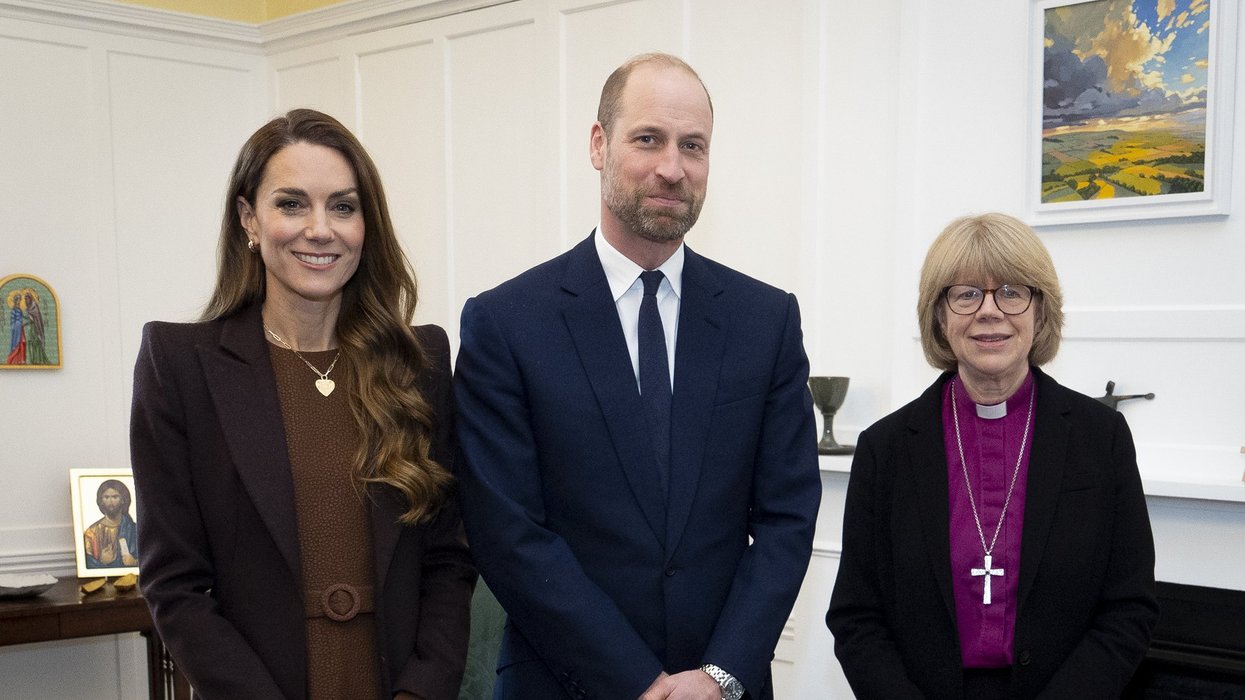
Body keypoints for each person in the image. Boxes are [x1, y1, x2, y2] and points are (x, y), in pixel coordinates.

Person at [454, 53, 821, 700]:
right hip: (562, 683)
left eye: (693, 146)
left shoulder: (764, 321)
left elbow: (788, 516)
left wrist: (720, 674)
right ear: (598, 145)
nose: (671, 168)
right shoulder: (506, 323)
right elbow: (508, 531)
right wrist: (638, 683)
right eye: (647, 139)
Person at [130, 109, 476, 700]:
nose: (320, 229)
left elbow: (448, 558)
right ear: (249, 220)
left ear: (367, 225)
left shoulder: (420, 362)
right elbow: (175, 584)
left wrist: (421, 691)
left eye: (343, 207)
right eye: (291, 204)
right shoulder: (179, 363)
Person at [826, 212, 1158, 699]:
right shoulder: (887, 448)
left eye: (1011, 291)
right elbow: (857, 616)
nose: (989, 311)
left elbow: (1130, 607)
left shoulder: (1099, 437)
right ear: (939, 315)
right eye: (965, 294)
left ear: (1039, 310)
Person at [83, 479, 138, 569]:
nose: (110, 501)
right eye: (106, 497)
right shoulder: (91, 532)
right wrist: (103, 562)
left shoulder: (134, 530)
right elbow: (88, 564)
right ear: (101, 501)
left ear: (123, 500)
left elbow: (149, 558)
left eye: (115, 497)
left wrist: (134, 562)